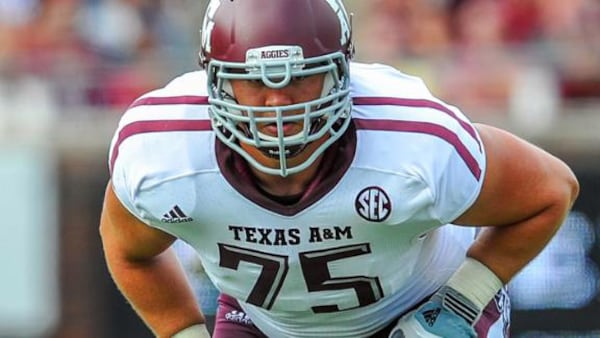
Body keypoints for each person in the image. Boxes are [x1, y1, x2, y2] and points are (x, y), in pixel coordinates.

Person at [98, 0, 579, 337]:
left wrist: (461, 302)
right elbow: (128, 249)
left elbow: (551, 190)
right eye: (252, 84)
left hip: (419, 308)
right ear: (215, 84)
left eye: (303, 76)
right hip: (266, 323)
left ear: (342, 71)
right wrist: (182, 332)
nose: (278, 105)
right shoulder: (162, 149)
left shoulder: (415, 142)